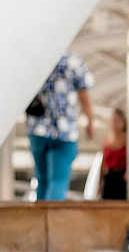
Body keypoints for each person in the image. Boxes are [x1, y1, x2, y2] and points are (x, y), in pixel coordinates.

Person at [26, 52, 96, 200]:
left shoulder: (35, 58)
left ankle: (40, 220)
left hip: (37, 128)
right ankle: (52, 222)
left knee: (42, 180)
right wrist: (90, 121)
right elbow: (84, 95)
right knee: (57, 181)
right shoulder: (73, 61)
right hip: (64, 131)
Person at [100, 108, 127, 200]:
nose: (115, 123)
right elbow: (102, 164)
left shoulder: (127, 139)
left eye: (117, 120)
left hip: (122, 179)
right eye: (113, 120)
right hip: (109, 178)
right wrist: (98, 185)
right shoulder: (106, 141)